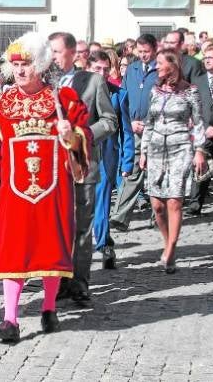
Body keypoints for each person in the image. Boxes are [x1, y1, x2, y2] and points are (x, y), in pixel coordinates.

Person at [0, 32, 92, 343]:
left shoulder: (63, 102)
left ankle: (49, 309)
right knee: (13, 252)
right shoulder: (1, 107)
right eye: (16, 66)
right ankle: (10, 319)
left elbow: (83, 141)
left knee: (51, 250)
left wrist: (71, 136)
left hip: (54, 191)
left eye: (26, 64)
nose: (21, 71)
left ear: (39, 65)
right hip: (15, 194)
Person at [49, 32, 117, 303]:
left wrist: (82, 134)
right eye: (49, 51)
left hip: (82, 163)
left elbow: (110, 121)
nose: (52, 56)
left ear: (71, 53)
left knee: (81, 227)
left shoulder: (93, 81)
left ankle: (79, 283)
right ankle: (57, 279)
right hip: (51, 168)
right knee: (56, 226)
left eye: (55, 51)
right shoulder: (42, 84)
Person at [139, 49, 206, 274]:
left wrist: (199, 151)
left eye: (160, 63)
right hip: (157, 148)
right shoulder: (155, 91)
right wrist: (143, 151)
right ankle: (167, 242)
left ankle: (171, 249)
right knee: (157, 205)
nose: (156, 67)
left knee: (174, 201)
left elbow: (197, 123)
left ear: (173, 65)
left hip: (180, 148)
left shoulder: (190, 92)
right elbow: (149, 121)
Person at [87, 51, 134, 269]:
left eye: (106, 69)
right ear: (89, 68)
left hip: (107, 155)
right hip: (80, 154)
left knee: (103, 200)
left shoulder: (119, 94)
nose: (102, 73)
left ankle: (104, 243)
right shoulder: (77, 91)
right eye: (98, 69)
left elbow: (126, 130)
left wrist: (128, 160)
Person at [110, 34, 160, 232]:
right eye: (140, 52)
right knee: (132, 172)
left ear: (155, 49)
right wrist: (131, 121)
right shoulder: (132, 69)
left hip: (156, 130)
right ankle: (120, 216)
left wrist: (150, 123)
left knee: (157, 173)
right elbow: (125, 97)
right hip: (135, 128)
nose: (143, 55)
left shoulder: (162, 69)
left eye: (146, 52)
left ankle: (158, 217)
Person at [188, 45, 213, 215]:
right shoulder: (198, 81)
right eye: (205, 57)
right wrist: (201, 127)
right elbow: (193, 107)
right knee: (199, 168)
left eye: (211, 57)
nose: (207, 60)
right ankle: (195, 204)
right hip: (202, 132)